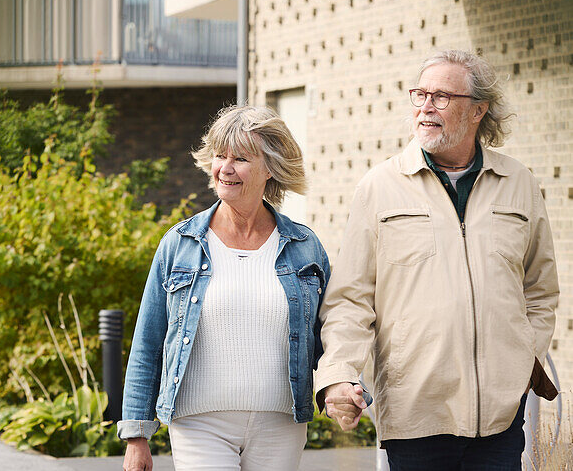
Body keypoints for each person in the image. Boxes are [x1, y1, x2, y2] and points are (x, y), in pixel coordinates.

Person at [316, 50, 559, 470]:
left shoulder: (519, 183)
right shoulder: (379, 187)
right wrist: (339, 374)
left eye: (442, 96)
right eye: (420, 94)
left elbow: (539, 288)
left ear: (478, 110)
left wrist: (523, 361)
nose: (426, 107)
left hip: (501, 417)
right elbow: (350, 299)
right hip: (416, 410)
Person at [120, 105, 331, 471]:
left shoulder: (304, 246)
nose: (225, 168)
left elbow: (330, 334)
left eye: (241, 158)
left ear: (270, 168)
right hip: (199, 424)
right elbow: (148, 342)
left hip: (280, 424)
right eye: (220, 155)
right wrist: (137, 437)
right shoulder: (180, 243)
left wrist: (344, 388)